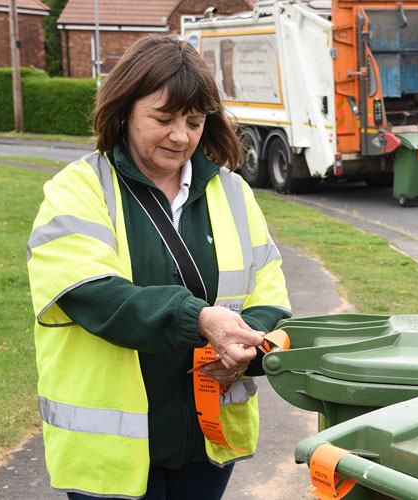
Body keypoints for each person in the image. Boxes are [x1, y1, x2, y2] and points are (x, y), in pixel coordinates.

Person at [26, 35, 291, 500]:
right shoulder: (78, 189)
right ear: (124, 109)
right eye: (163, 118)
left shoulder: (233, 193)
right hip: (110, 455)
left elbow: (271, 299)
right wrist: (200, 320)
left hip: (204, 442)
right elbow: (95, 295)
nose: (181, 136)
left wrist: (249, 350)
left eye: (194, 121)